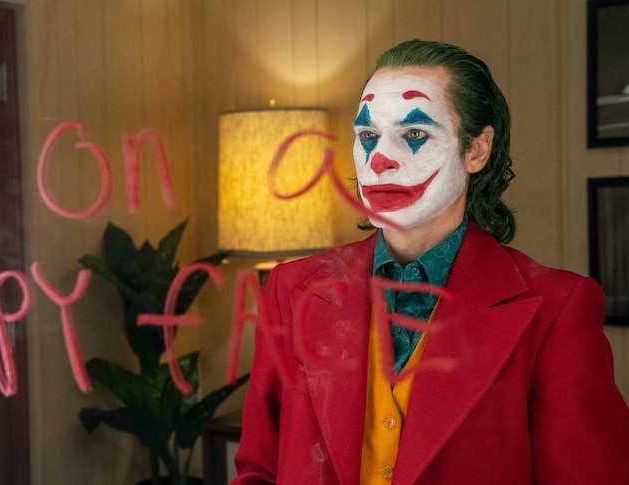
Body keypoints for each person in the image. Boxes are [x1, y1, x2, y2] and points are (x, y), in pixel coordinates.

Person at [232, 39, 629, 484]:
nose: (379, 160)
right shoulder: (292, 288)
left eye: (415, 134)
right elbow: (259, 468)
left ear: (477, 150)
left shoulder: (558, 307)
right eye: (367, 136)